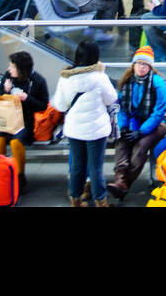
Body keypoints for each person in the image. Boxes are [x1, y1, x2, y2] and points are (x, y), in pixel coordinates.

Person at [52, 40, 117, 207]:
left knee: (77, 166)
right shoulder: (100, 77)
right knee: (95, 168)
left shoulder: (66, 78)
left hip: (74, 130)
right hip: (96, 130)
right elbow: (112, 99)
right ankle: (101, 201)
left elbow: (59, 105)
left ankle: (75, 199)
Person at [110, 46, 166, 199]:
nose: (142, 67)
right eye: (139, 63)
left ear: (150, 67)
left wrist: (141, 131)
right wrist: (123, 127)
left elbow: (159, 113)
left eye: (145, 64)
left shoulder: (157, 83)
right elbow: (122, 109)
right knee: (122, 140)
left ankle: (125, 184)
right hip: (135, 121)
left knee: (141, 144)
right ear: (133, 65)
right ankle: (120, 178)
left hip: (159, 123)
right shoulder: (128, 82)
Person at [0, 51, 49, 194]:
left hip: (25, 120)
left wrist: (27, 98)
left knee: (16, 142)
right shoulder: (8, 77)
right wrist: (5, 90)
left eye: (12, 67)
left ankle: (19, 177)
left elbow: (43, 105)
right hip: (5, 119)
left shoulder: (38, 81)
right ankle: (1, 174)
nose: (9, 69)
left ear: (21, 69)